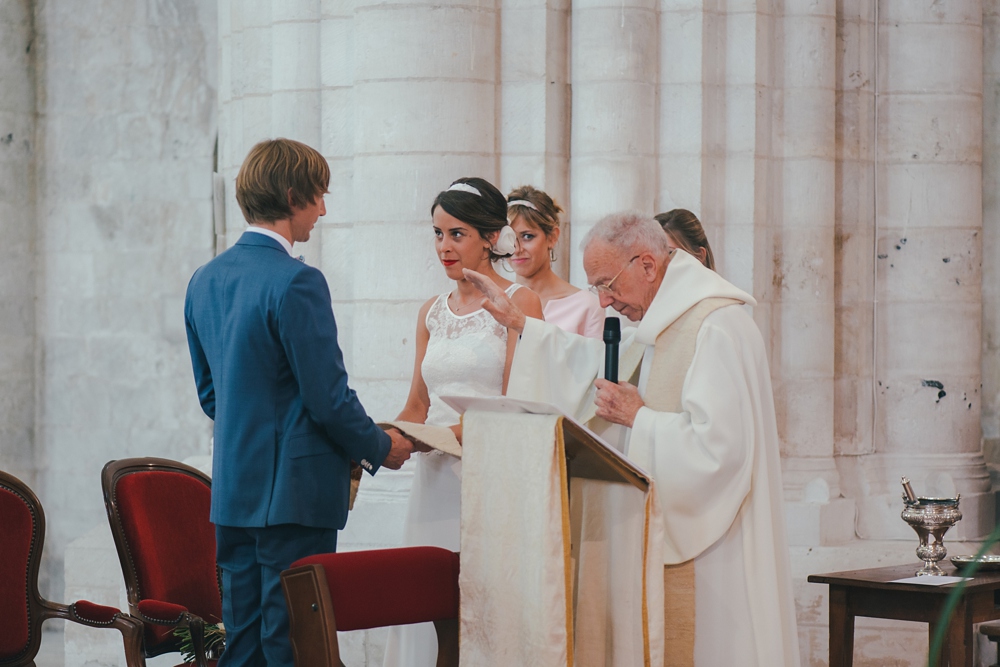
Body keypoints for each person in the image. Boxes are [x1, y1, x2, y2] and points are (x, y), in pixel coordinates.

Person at [464, 211, 800, 666]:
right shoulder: (669, 320)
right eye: (596, 289)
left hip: (718, 552)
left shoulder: (714, 325)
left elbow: (721, 451)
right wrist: (524, 326)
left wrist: (639, 418)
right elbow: (600, 363)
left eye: (607, 284)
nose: (604, 301)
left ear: (647, 265)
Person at [184, 138, 414, 667]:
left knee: (243, 646)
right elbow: (327, 399)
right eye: (319, 196)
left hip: (234, 491)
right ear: (293, 197)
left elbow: (212, 396)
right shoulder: (297, 281)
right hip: (294, 497)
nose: (323, 210)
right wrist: (381, 447)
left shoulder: (204, 279)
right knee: (293, 647)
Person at [383, 177, 543, 667]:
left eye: (457, 234)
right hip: (433, 480)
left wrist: (437, 437)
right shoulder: (430, 312)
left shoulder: (521, 302)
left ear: (491, 237)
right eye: (437, 233)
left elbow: (516, 402)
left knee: (480, 605)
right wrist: (382, 438)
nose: (444, 247)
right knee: (426, 599)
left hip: (487, 475)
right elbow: (416, 405)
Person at [507, 185, 605, 337]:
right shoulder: (492, 302)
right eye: (509, 237)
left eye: (527, 236)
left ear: (552, 237)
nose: (517, 249)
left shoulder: (586, 306)